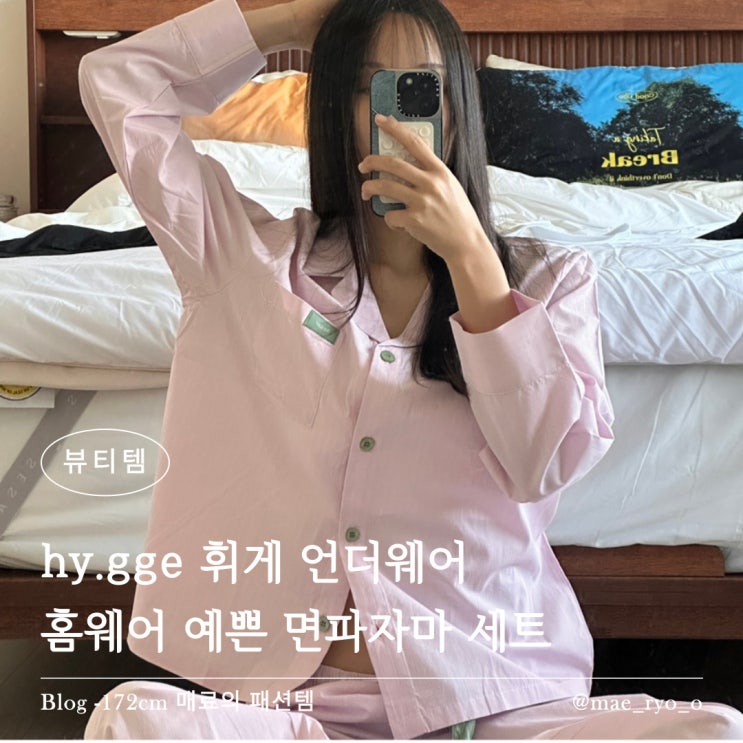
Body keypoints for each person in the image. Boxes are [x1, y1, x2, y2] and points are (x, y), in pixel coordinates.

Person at [78, 0, 743, 739]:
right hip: (290, 714)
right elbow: (119, 83)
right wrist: (298, 22)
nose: (394, 111)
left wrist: (473, 262)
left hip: (488, 704)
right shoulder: (244, 258)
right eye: (367, 84)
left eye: (420, 87)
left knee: (712, 730)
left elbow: (544, 464)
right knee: (131, 719)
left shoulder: (551, 281)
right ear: (332, 107)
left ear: (458, 106)